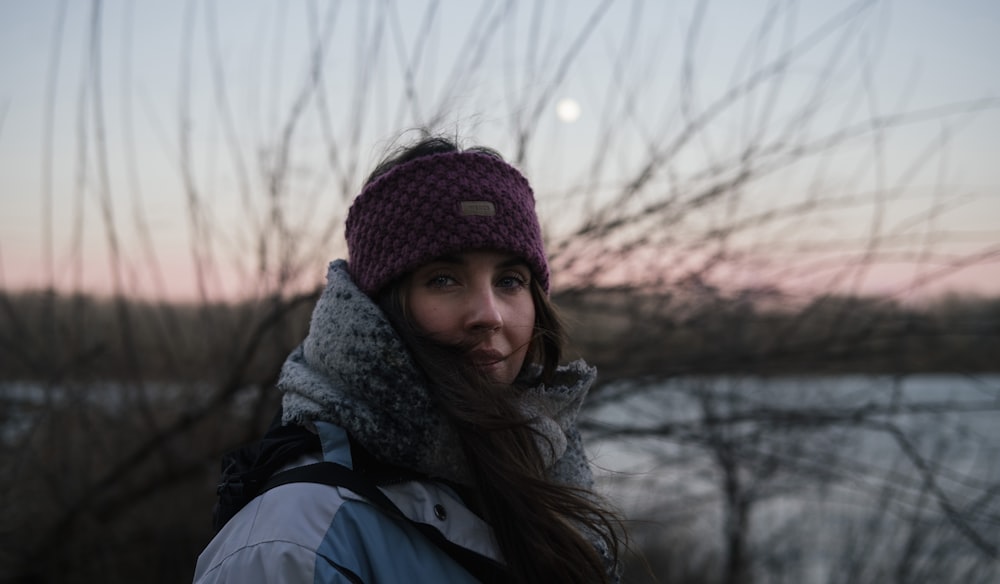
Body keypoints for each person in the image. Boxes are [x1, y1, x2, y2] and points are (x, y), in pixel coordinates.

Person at [193, 135, 623, 583]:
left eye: (510, 280)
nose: (489, 315)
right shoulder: (295, 548)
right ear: (373, 312)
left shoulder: (541, 479)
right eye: (443, 279)